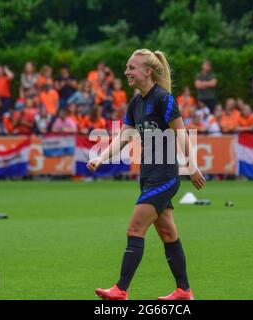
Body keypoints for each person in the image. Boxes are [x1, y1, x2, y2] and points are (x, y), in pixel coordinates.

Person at [88, 49, 205, 300]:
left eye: (131, 67)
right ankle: (184, 291)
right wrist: (100, 157)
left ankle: (120, 290)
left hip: (165, 177)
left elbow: (182, 134)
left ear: (147, 71)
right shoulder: (136, 102)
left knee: (134, 229)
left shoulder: (164, 99)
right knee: (167, 234)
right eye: (127, 67)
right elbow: (124, 137)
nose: (126, 72)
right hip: (147, 177)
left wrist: (191, 167)